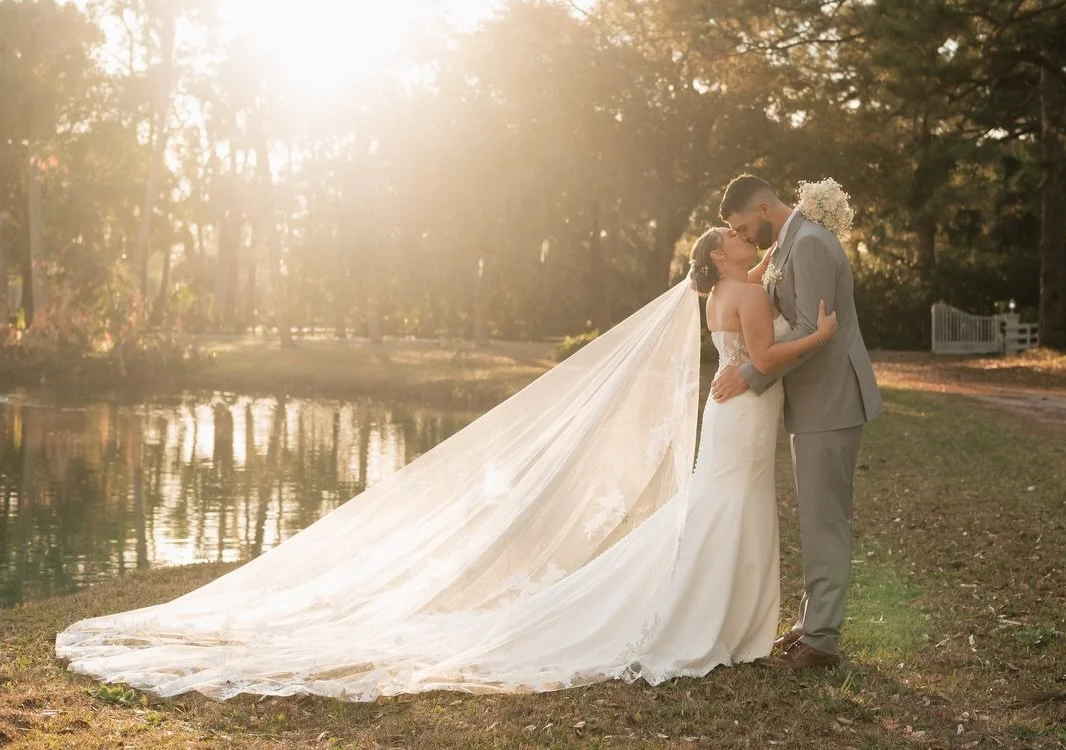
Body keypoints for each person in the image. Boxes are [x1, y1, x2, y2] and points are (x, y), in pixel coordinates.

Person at [57, 184, 855, 701]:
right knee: (723, 513)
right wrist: (816, 336)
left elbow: (744, 359)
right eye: (737, 238)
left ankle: (735, 624)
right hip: (742, 416)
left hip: (734, 421)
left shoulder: (724, 289)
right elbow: (763, 359)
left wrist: (777, 345)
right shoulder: (746, 288)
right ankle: (712, 625)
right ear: (722, 253)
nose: (749, 242)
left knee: (722, 511)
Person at [712, 174, 884, 670]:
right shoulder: (791, 242)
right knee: (815, 516)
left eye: (741, 225)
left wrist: (749, 374)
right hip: (814, 404)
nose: (741, 236)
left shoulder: (808, 244)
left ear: (763, 207)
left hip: (831, 402)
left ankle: (822, 641)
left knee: (824, 519)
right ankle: (813, 624)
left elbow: (814, 331)